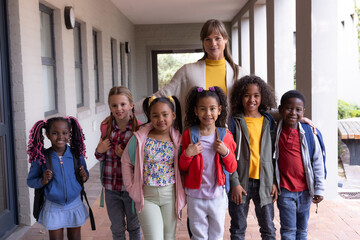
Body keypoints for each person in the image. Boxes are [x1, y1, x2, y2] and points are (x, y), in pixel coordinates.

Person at [136, 19, 247, 123]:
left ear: (226, 39)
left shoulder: (240, 73)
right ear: (203, 42)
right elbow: (163, 94)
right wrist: (130, 109)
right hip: (196, 138)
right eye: (208, 39)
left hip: (229, 138)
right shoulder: (188, 71)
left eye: (217, 38)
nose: (213, 43)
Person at [121, 95, 186, 240]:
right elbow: (125, 161)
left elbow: (184, 165)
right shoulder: (140, 138)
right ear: (149, 116)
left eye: (165, 114)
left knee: (169, 237)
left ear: (173, 115)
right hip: (147, 197)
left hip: (171, 195)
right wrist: (131, 188)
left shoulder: (179, 140)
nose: (160, 119)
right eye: (155, 115)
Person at [179, 86, 237, 239]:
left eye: (212, 108)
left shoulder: (226, 136)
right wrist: (187, 154)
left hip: (217, 195)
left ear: (219, 110)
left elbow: (232, 167)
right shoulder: (189, 135)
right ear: (196, 111)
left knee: (216, 235)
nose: (208, 113)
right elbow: (182, 167)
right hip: (195, 196)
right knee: (198, 235)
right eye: (203, 109)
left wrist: (225, 152)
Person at [228, 75, 278, 240]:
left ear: (262, 97)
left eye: (256, 95)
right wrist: (234, 182)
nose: (252, 99)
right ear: (240, 97)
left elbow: (274, 156)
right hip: (240, 183)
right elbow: (228, 155)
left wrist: (274, 182)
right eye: (247, 95)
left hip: (264, 183)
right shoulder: (233, 122)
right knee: (237, 229)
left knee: (269, 229)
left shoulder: (269, 121)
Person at [27, 116, 89, 240]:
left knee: (75, 238)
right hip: (53, 207)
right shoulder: (41, 158)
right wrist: (42, 181)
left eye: (64, 133)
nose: (60, 137)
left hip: (74, 204)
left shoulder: (76, 155)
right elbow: (31, 181)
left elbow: (85, 175)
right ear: (47, 135)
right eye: (55, 133)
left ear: (69, 134)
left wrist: (84, 175)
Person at [274, 90, 325, 240]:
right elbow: (262, 112)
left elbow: (317, 162)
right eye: (289, 108)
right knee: (288, 231)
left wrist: (319, 188)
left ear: (304, 111)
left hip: (305, 191)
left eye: (298, 110)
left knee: (302, 231)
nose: (293, 113)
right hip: (285, 191)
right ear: (281, 109)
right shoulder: (275, 129)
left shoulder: (309, 133)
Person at [95, 86, 141, 240]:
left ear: (131, 105)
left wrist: (126, 157)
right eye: (114, 105)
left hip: (131, 189)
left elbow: (143, 163)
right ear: (110, 107)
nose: (119, 108)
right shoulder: (107, 129)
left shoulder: (138, 129)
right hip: (111, 188)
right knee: (117, 228)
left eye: (122, 104)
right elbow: (101, 158)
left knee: (134, 226)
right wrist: (99, 150)